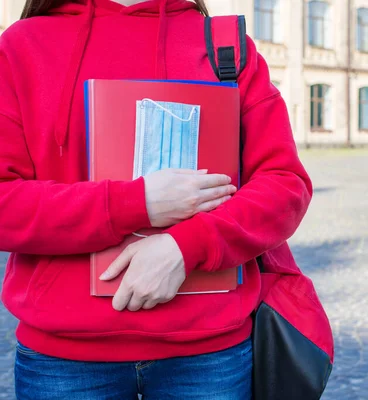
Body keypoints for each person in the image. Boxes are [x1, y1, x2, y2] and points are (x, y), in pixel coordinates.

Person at [0, 0, 312, 398]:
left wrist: (187, 247)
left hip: (208, 355)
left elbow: (285, 185)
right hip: (64, 359)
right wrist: (137, 203)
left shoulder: (225, 46)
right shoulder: (21, 47)